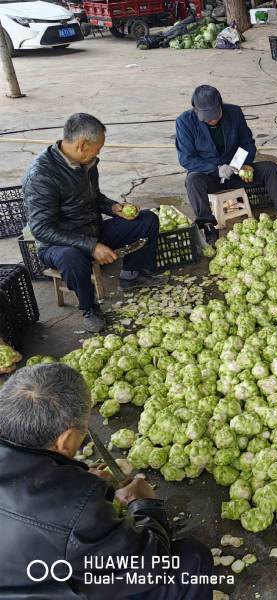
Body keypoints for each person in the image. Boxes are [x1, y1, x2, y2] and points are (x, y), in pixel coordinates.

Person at [0, 363, 213, 600]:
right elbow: (145, 567)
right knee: (192, 561)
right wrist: (144, 505)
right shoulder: (76, 511)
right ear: (67, 439)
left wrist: (74, 478)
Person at [22, 113, 160, 333]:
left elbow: (95, 197)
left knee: (147, 220)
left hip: (92, 230)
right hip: (58, 245)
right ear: (82, 144)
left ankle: (132, 274)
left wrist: (114, 208)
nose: (99, 153)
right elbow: (41, 229)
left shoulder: (87, 162)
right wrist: (90, 246)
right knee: (71, 256)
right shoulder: (41, 176)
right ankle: (89, 308)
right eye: (97, 148)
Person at [176, 84, 277, 244]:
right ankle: (207, 225)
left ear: (221, 106)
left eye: (216, 115)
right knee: (192, 180)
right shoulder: (184, 122)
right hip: (210, 177)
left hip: (236, 171)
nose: (212, 120)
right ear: (195, 110)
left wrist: (240, 164)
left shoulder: (234, 113)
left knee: (270, 168)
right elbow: (187, 159)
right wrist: (216, 170)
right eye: (207, 117)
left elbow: (247, 143)